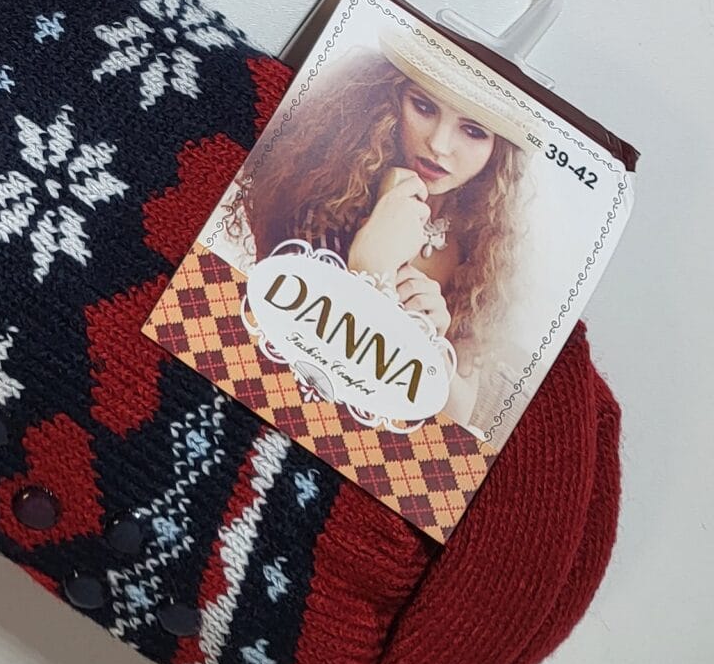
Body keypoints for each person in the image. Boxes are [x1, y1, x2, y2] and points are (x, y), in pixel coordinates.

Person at [224, 38, 531, 431]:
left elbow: (459, 414)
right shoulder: (325, 196)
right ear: (390, 98)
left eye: (473, 131)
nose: (439, 145)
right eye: (424, 107)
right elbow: (288, 365)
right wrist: (370, 268)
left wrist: (431, 346)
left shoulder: (482, 249)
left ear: (498, 152)